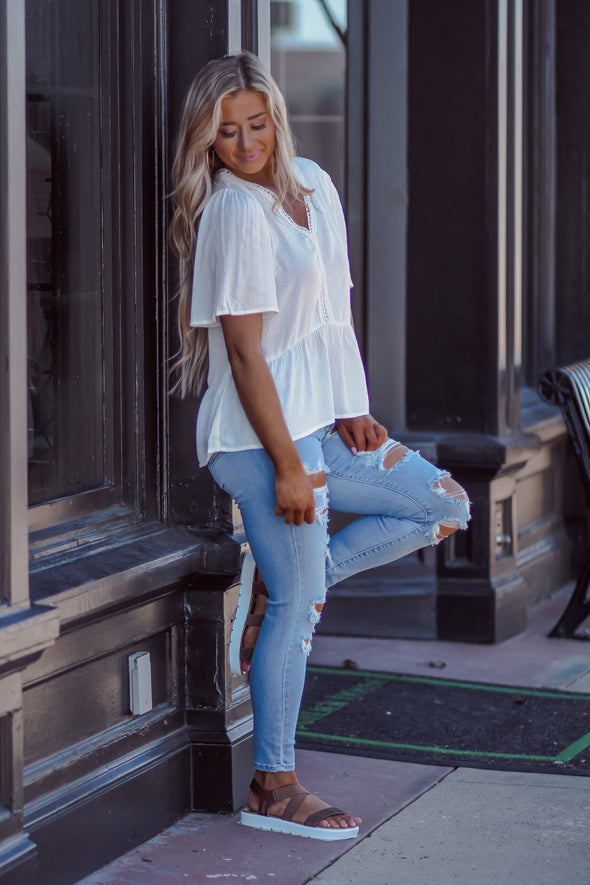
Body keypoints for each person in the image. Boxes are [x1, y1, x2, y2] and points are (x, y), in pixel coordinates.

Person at [169, 52, 471, 841]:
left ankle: (277, 588)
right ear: (208, 141)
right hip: (259, 436)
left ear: (277, 116)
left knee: (443, 503)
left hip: (319, 422)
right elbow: (244, 357)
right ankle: (273, 782)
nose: (245, 144)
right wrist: (293, 465)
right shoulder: (233, 213)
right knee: (301, 613)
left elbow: (333, 312)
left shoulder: (315, 187)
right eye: (226, 132)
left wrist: (352, 408)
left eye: (256, 124)